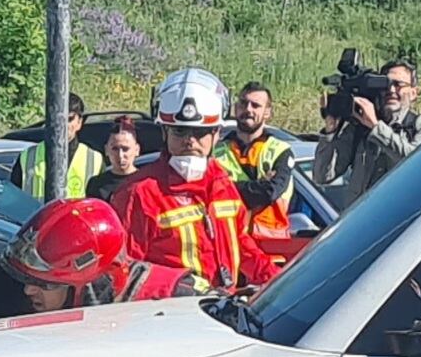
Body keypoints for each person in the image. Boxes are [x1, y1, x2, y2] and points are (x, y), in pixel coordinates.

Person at [113, 68, 267, 291]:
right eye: (180, 132)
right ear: (164, 133)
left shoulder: (222, 183)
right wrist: (178, 288)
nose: (190, 140)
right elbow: (124, 272)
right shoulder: (138, 193)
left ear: (216, 134)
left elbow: (242, 244)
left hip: (220, 311)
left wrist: (276, 281)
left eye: (200, 132)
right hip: (167, 317)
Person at [5, 198, 193, 311]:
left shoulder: (181, 298)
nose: (28, 291)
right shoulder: (49, 312)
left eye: (44, 284)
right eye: (29, 281)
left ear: (91, 284)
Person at [315, 58, 421, 209]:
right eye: (385, 84)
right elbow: (322, 176)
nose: (391, 90)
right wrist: (330, 130)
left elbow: (414, 162)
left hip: (397, 225)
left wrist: (375, 126)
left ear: (414, 93)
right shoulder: (360, 127)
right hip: (359, 223)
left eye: (398, 85)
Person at [220, 82, 295, 239]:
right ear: (235, 108)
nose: (248, 109)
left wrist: (226, 187)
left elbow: (268, 192)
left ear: (267, 112)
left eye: (255, 105)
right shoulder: (216, 151)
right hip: (229, 244)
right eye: (243, 103)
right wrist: (259, 185)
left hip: (271, 249)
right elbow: (207, 192)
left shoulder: (280, 151)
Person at [18, 93, 96, 200]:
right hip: (39, 216)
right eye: (57, 118)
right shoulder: (27, 157)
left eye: (69, 119)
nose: (62, 124)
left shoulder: (95, 160)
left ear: (79, 122)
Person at [85, 119, 148, 208]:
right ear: (106, 150)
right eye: (115, 149)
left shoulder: (145, 183)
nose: (120, 155)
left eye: (125, 149)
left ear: (137, 150)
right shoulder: (96, 184)